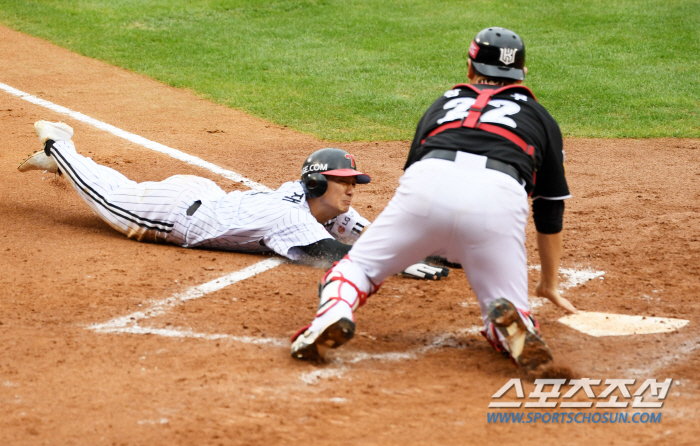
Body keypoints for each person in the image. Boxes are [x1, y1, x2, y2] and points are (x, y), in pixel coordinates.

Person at [290, 27, 577, 370]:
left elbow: (413, 172)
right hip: (498, 199)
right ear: (522, 73)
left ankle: (333, 314)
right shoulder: (541, 118)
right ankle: (515, 327)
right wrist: (548, 283)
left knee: (357, 269)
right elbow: (549, 207)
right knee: (505, 302)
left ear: (470, 70)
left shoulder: (443, 103)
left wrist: (423, 237)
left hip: (428, 188)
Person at [17, 120, 448, 279]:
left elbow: (368, 233)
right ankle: (61, 146)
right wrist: (401, 264)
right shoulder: (293, 220)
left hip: (201, 196)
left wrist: (432, 251)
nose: (352, 189)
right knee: (110, 202)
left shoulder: (316, 203)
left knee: (124, 190)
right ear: (317, 185)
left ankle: (63, 161)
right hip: (174, 214)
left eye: (353, 181)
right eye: (344, 181)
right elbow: (339, 254)